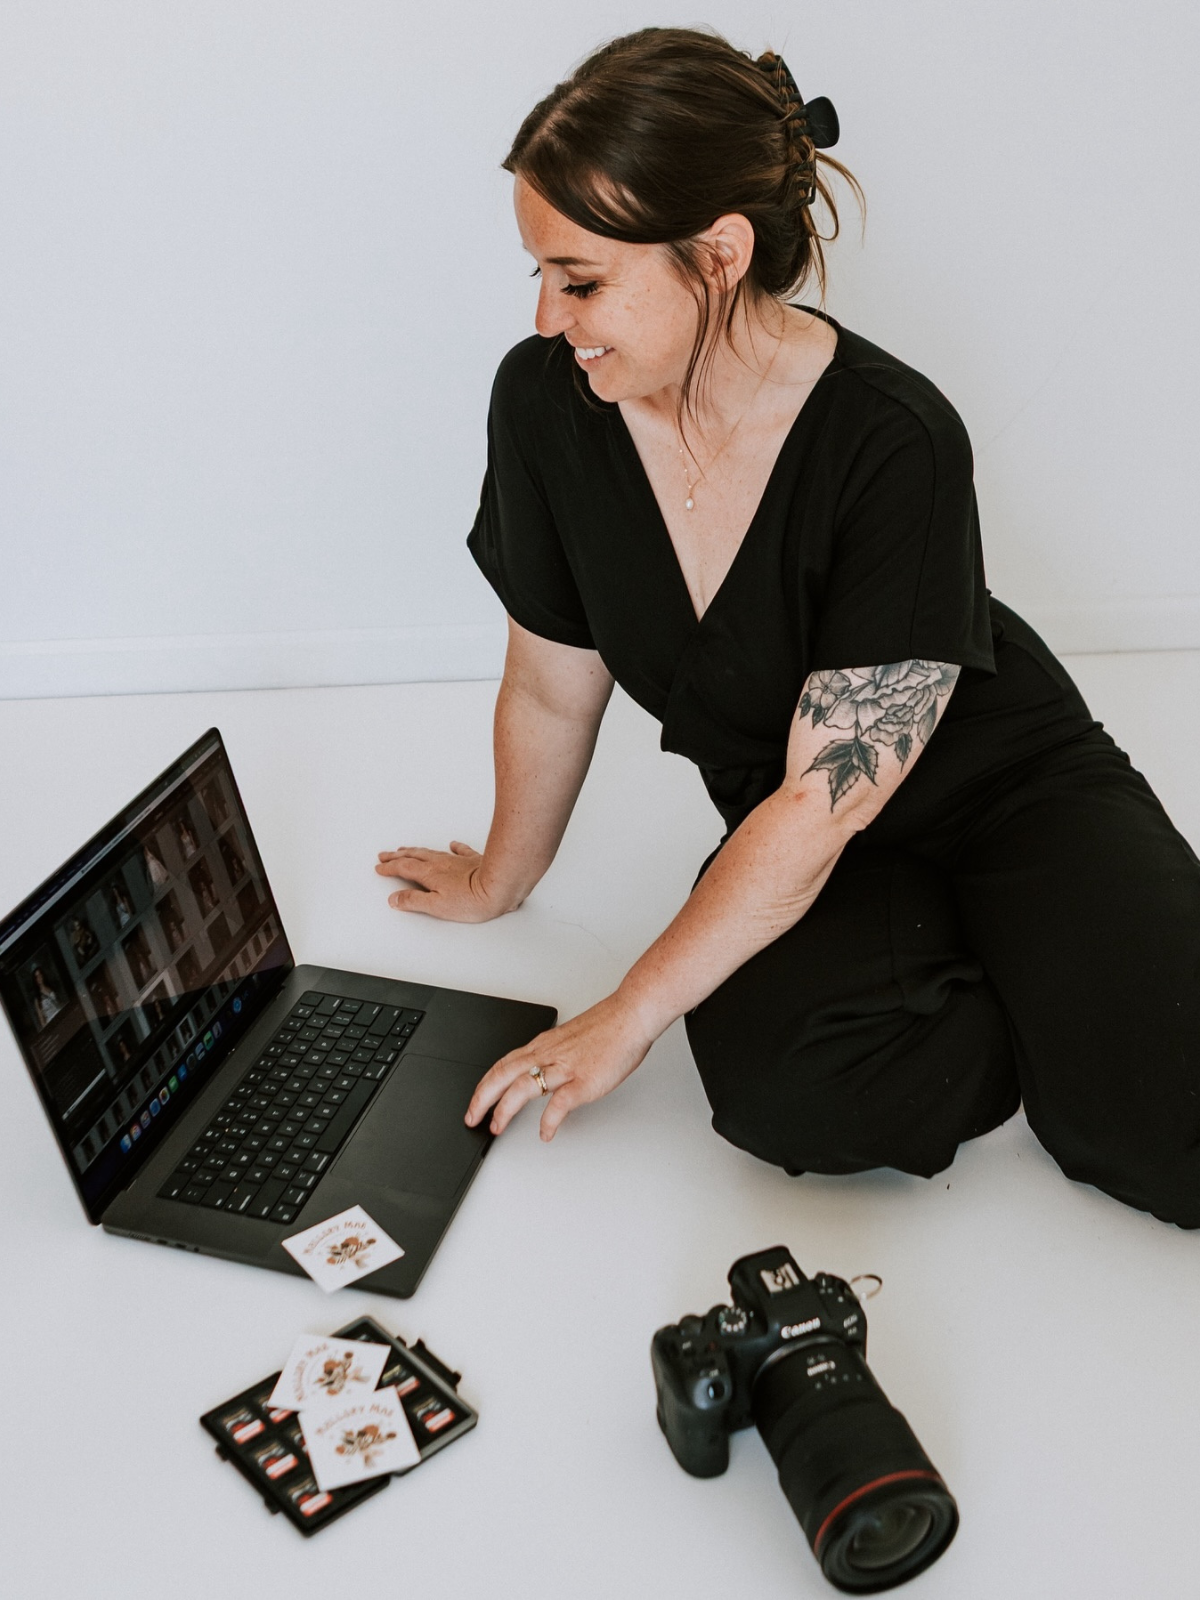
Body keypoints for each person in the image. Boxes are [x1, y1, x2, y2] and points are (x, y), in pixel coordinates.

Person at [375, 28, 1200, 1228]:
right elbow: (555, 683)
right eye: (539, 273)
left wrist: (626, 1009)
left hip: (1001, 788)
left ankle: (1082, 981)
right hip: (800, 820)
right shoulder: (550, 403)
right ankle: (1025, 992)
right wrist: (504, 877)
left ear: (719, 253)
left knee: (1167, 1137)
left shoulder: (896, 437)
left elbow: (830, 799)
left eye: (585, 278)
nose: (551, 316)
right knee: (789, 1099)